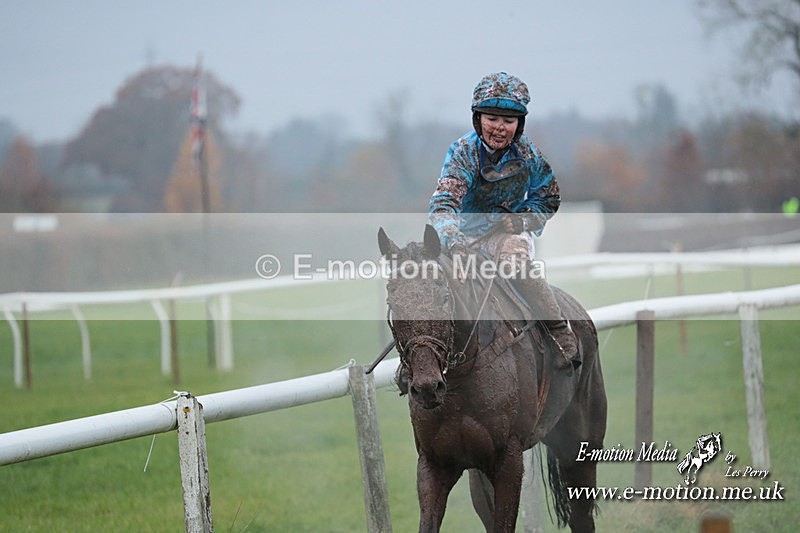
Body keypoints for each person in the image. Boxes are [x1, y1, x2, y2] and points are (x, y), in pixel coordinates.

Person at [428, 71, 577, 372]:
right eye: (492, 119)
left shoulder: (529, 156)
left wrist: (521, 221)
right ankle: (419, 360)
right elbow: (443, 204)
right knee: (426, 281)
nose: (499, 127)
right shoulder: (462, 153)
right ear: (478, 119)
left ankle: (559, 331)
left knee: (515, 264)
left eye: (508, 121)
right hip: (459, 238)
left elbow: (549, 198)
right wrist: (454, 243)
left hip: (504, 236)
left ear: (519, 124)